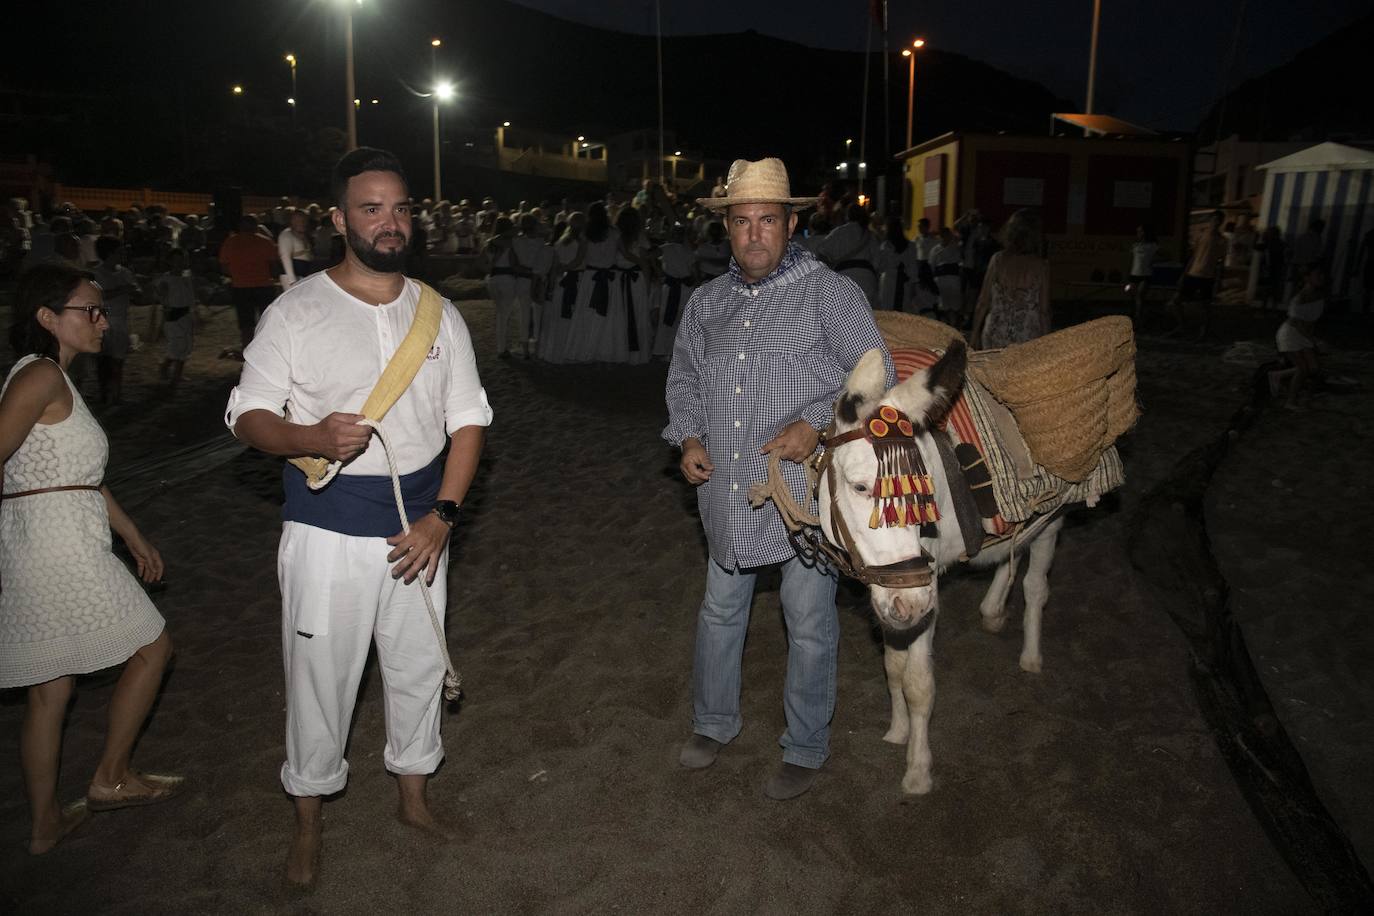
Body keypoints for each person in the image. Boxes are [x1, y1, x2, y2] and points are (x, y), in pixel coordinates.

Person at [224, 147, 492, 890]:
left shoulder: (436, 312)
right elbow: (246, 414)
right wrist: (308, 437)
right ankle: (308, 823)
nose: (390, 221)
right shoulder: (297, 309)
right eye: (371, 208)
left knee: (416, 669)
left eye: (401, 207)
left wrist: (445, 515)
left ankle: (414, 797)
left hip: (420, 530)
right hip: (326, 531)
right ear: (339, 219)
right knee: (320, 679)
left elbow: (468, 421)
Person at [664, 157, 894, 800]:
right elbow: (682, 382)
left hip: (802, 493)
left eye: (768, 220)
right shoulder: (705, 303)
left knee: (810, 617)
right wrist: (687, 436)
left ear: (791, 224)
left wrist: (817, 425)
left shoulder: (829, 292)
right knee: (719, 610)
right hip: (728, 488)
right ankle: (712, 723)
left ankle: (806, 744)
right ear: (727, 230)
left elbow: (878, 377)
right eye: (742, 222)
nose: (754, 234)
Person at [1, 264, 179, 856]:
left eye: (102, 310)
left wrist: (132, 536)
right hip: (58, 545)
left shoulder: (53, 379)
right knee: (152, 648)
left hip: (44, 534)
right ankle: (109, 778)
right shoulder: (43, 376)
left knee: (51, 690)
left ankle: (46, 824)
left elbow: (78, 477)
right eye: (90, 311)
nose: (103, 321)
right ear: (48, 318)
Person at [971, 209, 1050, 349]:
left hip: (995, 331)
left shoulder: (997, 260)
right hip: (1026, 336)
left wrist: (974, 335)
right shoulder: (1041, 265)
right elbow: (1043, 311)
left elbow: (983, 302)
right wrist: (1048, 343)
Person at [217, 215, 279, 356]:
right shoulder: (265, 242)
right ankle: (267, 352)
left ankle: (249, 353)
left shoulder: (230, 242)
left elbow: (224, 268)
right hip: (263, 286)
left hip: (241, 286)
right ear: (256, 226)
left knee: (246, 325)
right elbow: (274, 268)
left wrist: (237, 274)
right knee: (266, 321)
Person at [92, 237, 140, 405]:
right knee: (104, 360)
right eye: (119, 251)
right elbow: (98, 296)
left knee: (118, 360)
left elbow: (137, 291)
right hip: (103, 319)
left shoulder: (125, 272)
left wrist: (135, 291)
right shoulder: (97, 274)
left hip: (121, 319)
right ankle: (106, 393)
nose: (123, 254)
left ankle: (116, 393)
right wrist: (122, 290)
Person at [1270, 266, 1326, 410]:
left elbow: (1311, 323)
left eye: (1321, 274)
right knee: (1302, 368)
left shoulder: (1318, 297)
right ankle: (1290, 401)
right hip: (1290, 333)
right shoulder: (1299, 298)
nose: (1321, 277)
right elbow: (1297, 324)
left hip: (1302, 334)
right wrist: (1314, 342)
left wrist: (1313, 340)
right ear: (1307, 278)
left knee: (1314, 368)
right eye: (1317, 274)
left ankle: (1278, 376)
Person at [1169, 209, 1225, 339]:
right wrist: (1184, 274)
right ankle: (1182, 326)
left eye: (1218, 220)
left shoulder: (1222, 240)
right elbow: (1193, 257)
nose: (1216, 223)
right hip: (1193, 273)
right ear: (1210, 221)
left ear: (1221, 222)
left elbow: (1220, 263)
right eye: (1214, 219)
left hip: (1208, 276)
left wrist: (1218, 280)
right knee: (1175, 301)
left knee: (1205, 307)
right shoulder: (1201, 236)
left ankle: (1203, 332)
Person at [817, 204, 880, 306]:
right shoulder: (869, 235)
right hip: (867, 277)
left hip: (844, 276)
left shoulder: (839, 232)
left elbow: (821, 251)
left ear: (847, 216)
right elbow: (877, 262)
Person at [154, 248, 195, 391]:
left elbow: (190, 297)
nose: (179, 263)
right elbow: (163, 298)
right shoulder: (165, 280)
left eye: (182, 260)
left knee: (186, 345)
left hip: (185, 314)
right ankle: (172, 375)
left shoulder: (186, 276)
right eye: (176, 260)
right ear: (170, 262)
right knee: (177, 346)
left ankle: (174, 373)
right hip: (173, 315)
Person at [652, 223, 696, 357]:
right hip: (683, 288)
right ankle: (674, 352)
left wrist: (658, 270)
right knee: (679, 321)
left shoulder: (667, 248)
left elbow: (651, 256)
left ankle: (664, 350)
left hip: (674, 287)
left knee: (668, 319)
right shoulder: (687, 251)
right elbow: (694, 271)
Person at [484, 216, 521, 359]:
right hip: (507, 278)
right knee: (506, 314)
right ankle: (503, 348)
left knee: (500, 313)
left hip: (493, 279)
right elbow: (513, 263)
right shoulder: (510, 243)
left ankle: (501, 346)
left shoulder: (489, 242)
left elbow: (482, 262)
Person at [877, 216, 920, 311]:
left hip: (888, 281)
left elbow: (881, 266)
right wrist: (914, 286)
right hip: (905, 283)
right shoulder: (911, 246)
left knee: (888, 312)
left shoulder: (885, 246)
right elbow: (913, 269)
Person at [929, 225, 964, 323]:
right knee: (943, 307)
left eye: (947, 235)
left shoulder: (955, 248)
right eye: (943, 235)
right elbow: (931, 267)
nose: (945, 237)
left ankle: (955, 325)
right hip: (941, 281)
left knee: (955, 307)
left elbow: (960, 265)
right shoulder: (935, 250)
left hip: (954, 281)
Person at [1126, 224, 1159, 322]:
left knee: (1140, 295)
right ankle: (1133, 315)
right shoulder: (1135, 245)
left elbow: (1167, 255)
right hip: (1134, 274)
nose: (1138, 234)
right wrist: (1128, 273)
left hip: (1146, 274)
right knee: (1132, 294)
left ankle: (1138, 317)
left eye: (1140, 231)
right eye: (1138, 231)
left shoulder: (1153, 245)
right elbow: (1131, 260)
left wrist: (1154, 260)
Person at [277, 209, 315, 290]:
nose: (301, 222)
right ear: (291, 221)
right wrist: (292, 280)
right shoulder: (286, 235)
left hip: (304, 273)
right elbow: (285, 257)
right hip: (292, 275)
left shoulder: (304, 235)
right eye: (297, 220)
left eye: (303, 220)